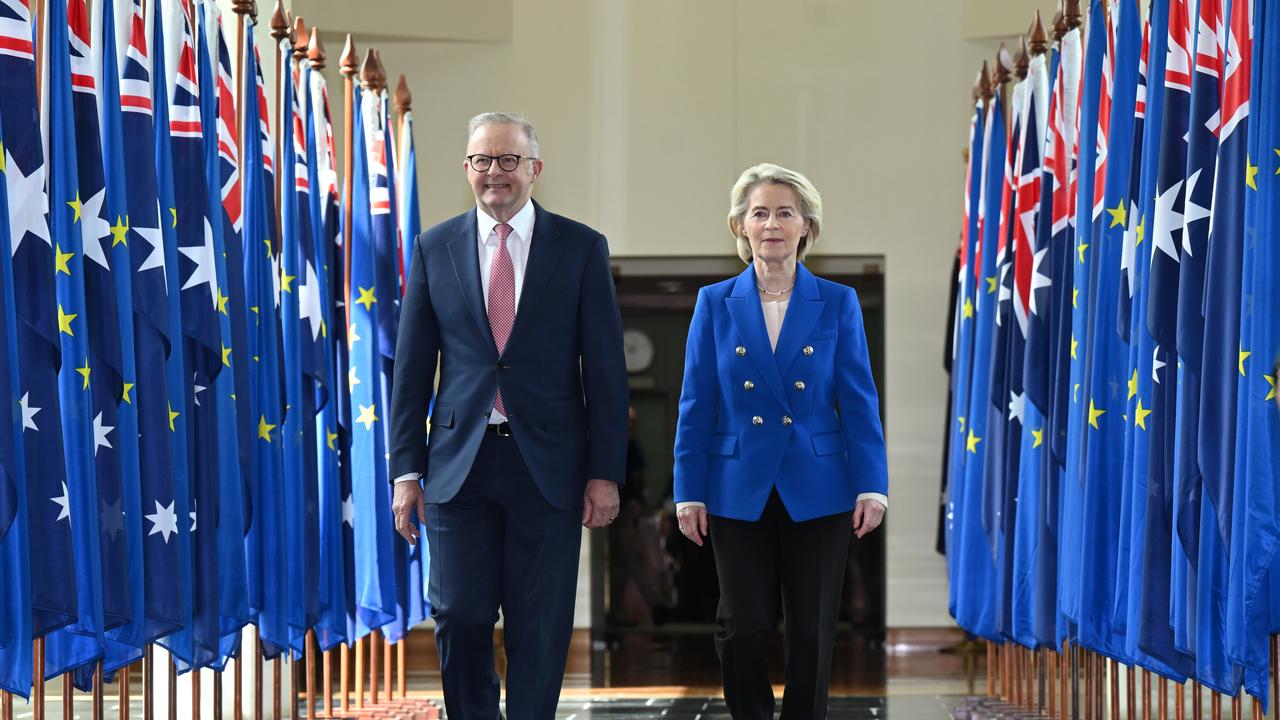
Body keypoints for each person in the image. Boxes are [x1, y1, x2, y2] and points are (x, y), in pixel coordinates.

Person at [388, 112, 629, 719]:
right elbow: (412, 371)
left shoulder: (581, 248)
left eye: (508, 160)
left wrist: (605, 472)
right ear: (467, 168)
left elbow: (605, 370)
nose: (494, 171)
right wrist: (405, 471)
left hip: (548, 467)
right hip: (457, 467)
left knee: (539, 623)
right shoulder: (434, 247)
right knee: (459, 613)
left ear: (534, 168)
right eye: (482, 160)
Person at [673, 162, 888, 719]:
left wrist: (872, 485)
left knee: (812, 631)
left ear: (806, 227)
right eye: (760, 213)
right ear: (740, 226)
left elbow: (858, 400)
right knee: (741, 626)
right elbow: (696, 403)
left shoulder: (837, 301)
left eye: (785, 213)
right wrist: (688, 491)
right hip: (736, 485)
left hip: (819, 485)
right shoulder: (714, 302)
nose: (771, 224)